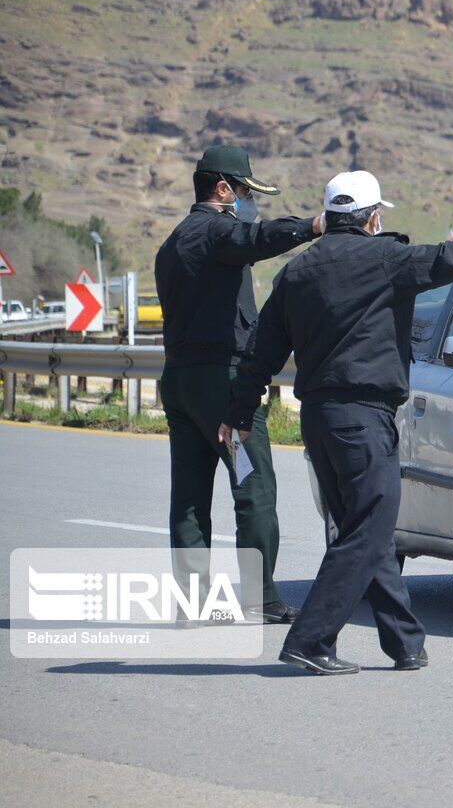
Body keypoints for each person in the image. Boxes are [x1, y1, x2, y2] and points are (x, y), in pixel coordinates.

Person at [222, 170, 453, 675]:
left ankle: (405, 642)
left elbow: (259, 353)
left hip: (319, 420)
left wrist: (236, 414)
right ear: (372, 218)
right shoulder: (387, 259)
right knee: (369, 528)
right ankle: (311, 639)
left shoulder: (296, 272)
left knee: (373, 531)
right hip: (364, 419)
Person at [154, 144, 323, 626]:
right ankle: (262, 596)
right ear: (223, 189)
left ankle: (193, 603)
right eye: (245, 192)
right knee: (254, 488)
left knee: (188, 495)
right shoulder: (218, 231)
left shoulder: (172, 243)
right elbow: (258, 238)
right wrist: (311, 226)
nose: (249, 202)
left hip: (180, 382)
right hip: (223, 386)